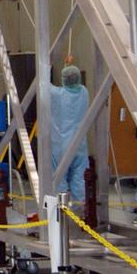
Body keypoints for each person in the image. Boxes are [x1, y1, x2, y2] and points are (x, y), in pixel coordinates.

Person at [50, 62, 89, 203]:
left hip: (61, 146)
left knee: (59, 180)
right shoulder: (84, 92)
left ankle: (62, 211)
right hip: (80, 145)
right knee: (79, 180)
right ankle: (81, 210)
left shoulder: (57, 95)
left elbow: (44, 85)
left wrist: (47, 66)